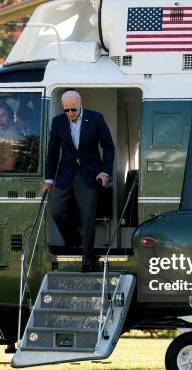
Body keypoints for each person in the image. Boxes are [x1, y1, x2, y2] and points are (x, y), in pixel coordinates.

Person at [43, 90, 115, 272]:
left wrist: (105, 172)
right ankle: (74, 240)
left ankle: (87, 260)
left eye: (73, 110)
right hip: (65, 172)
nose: (69, 114)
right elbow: (52, 152)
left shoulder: (96, 118)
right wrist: (49, 179)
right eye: (66, 110)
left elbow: (108, 146)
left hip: (89, 174)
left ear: (80, 104)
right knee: (57, 212)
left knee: (88, 217)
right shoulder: (58, 121)